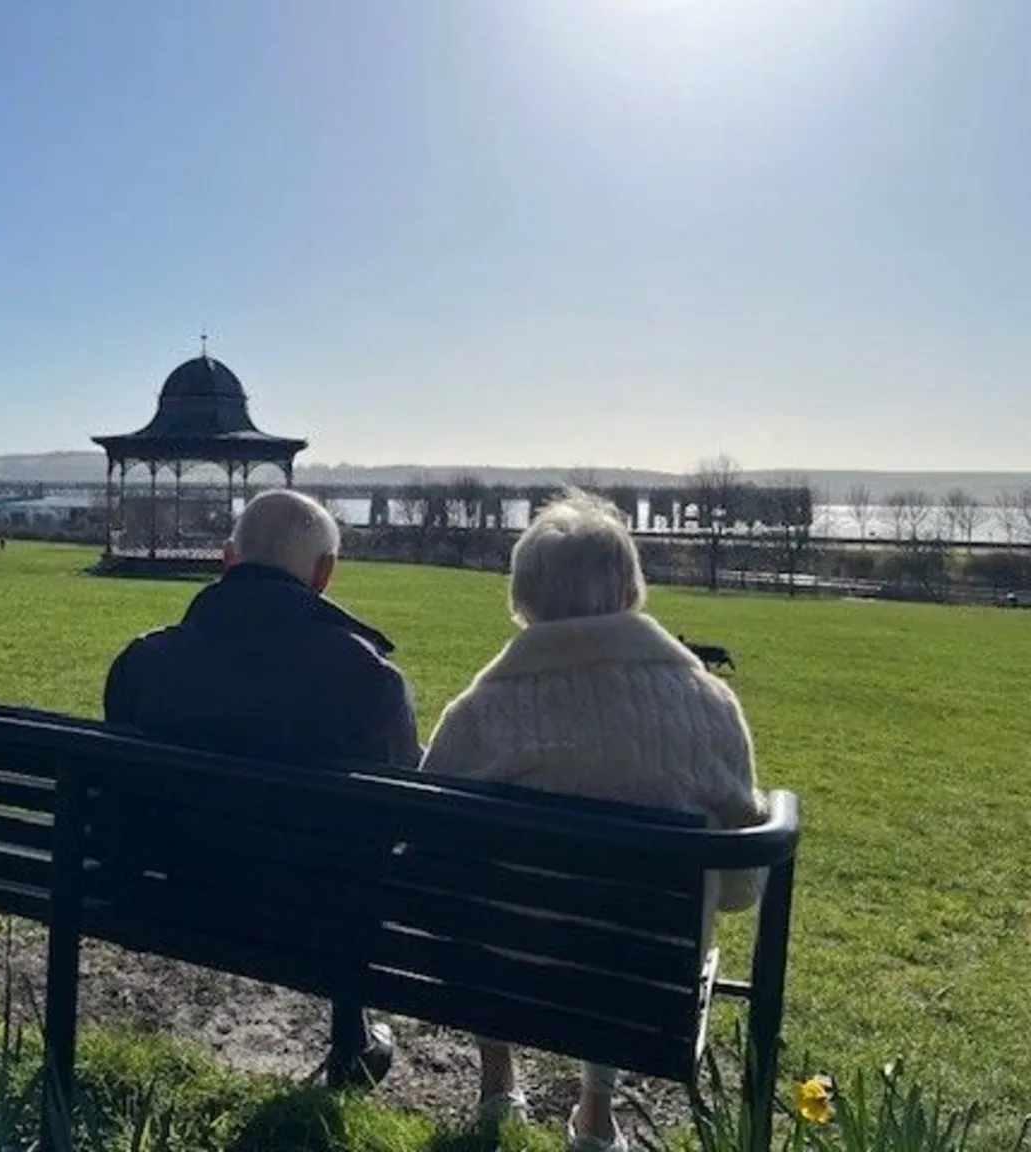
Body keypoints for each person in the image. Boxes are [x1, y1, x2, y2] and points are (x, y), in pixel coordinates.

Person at [419, 489, 767, 1152]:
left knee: (487, 902)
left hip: (506, 960)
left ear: (523, 600)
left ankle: (497, 1081)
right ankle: (597, 1113)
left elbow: (430, 849)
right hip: (639, 981)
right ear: (633, 594)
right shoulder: (710, 707)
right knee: (616, 939)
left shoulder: (481, 712)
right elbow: (741, 889)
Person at [104, 488, 421, 1088]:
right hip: (319, 914)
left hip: (166, 895)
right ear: (325, 574)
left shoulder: (143, 662)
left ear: (227, 558)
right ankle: (350, 1040)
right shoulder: (369, 679)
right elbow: (400, 813)